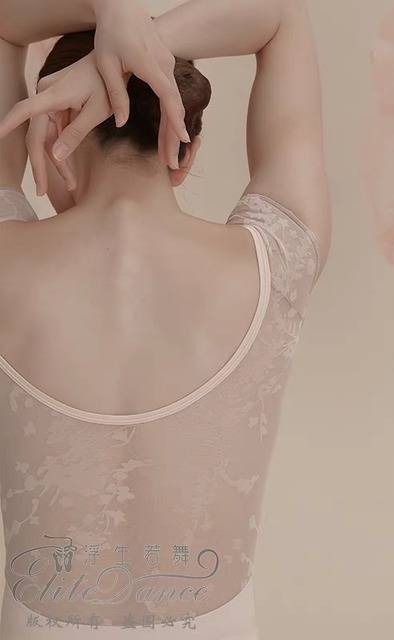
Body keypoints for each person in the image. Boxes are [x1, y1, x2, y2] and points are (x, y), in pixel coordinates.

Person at [0, 0, 331, 637]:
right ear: (184, 146)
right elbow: (281, 15)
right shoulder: (275, 261)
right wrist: (127, 46)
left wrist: (110, 13)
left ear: (53, 125)